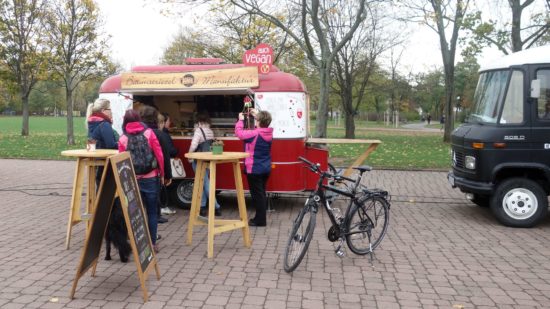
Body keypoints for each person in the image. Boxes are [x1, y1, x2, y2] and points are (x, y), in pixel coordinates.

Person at [118, 109, 164, 253]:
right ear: (139, 119)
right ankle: (152, 243)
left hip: (132, 180)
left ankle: (137, 241)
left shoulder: (122, 138)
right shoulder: (149, 133)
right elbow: (159, 154)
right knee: (151, 212)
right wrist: (161, 173)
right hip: (150, 177)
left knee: (134, 213)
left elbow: (121, 162)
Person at [235, 108, 273, 227]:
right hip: (265, 168)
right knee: (261, 193)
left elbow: (239, 134)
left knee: (258, 196)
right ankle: (259, 218)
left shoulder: (255, 133)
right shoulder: (268, 132)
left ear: (258, 121)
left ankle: (260, 220)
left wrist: (240, 121)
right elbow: (262, 122)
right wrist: (257, 114)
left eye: (256, 119)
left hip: (254, 169)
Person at [139, 106, 173, 224]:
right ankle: (154, 222)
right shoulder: (159, 134)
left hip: (135, 173)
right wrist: (167, 175)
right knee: (153, 199)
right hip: (153, 172)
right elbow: (163, 156)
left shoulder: (134, 132)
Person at [188, 112, 222, 217]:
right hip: (207, 159)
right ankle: (202, 207)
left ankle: (217, 207)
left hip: (198, 159)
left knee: (206, 184)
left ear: (198, 121)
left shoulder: (198, 130)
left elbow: (194, 144)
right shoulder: (210, 131)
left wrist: (190, 155)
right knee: (203, 182)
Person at [86, 98, 118, 184]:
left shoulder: (91, 122)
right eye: (110, 109)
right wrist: (122, 144)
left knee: (99, 186)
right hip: (105, 161)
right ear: (103, 110)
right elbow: (111, 145)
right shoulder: (104, 124)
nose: (111, 112)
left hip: (95, 159)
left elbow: (90, 144)